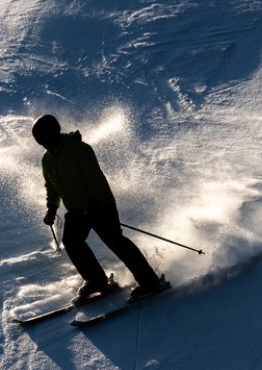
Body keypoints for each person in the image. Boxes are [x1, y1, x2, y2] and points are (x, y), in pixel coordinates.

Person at [32, 114, 163, 302]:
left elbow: (94, 177)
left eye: (43, 138)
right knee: (72, 242)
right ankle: (96, 280)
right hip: (77, 211)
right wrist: (52, 208)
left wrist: (93, 204)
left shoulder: (79, 149)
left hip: (100, 205)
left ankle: (150, 281)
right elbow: (51, 187)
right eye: (39, 141)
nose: (42, 144)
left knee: (115, 241)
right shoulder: (47, 159)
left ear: (54, 133)